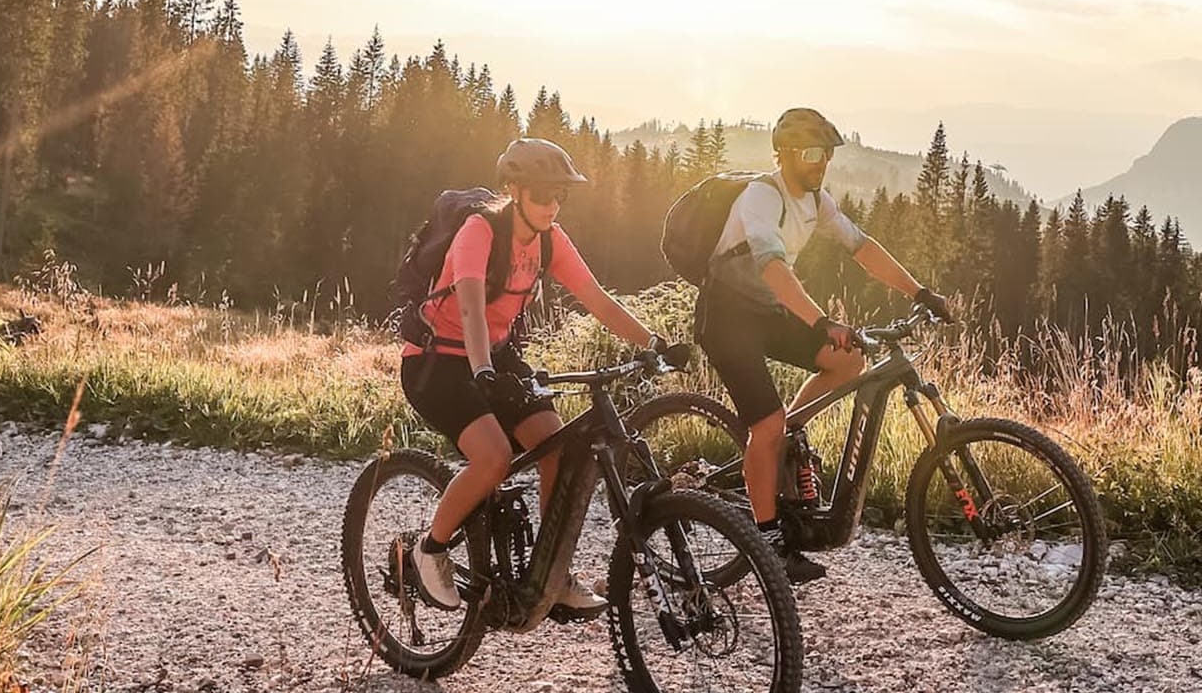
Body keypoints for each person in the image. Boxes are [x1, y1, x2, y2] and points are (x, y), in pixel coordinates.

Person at [402, 137, 668, 618]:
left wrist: (654, 344)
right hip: (436, 361)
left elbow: (598, 299)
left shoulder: (550, 239)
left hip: (495, 359)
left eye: (559, 195)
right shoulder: (479, 231)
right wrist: (482, 369)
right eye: (543, 194)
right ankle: (430, 549)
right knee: (494, 458)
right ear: (514, 190)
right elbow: (470, 308)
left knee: (558, 451)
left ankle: (552, 574)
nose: (552, 205)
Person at [696, 107, 951, 583]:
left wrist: (920, 293)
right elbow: (773, 268)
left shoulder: (816, 201)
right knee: (765, 424)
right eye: (813, 154)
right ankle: (769, 542)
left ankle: (783, 441)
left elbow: (863, 248)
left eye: (828, 154)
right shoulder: (761, 197)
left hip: (767, 311)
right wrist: (821, 321)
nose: (822, 163)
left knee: (847, 360)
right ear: (786, 154)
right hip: (728, 317)